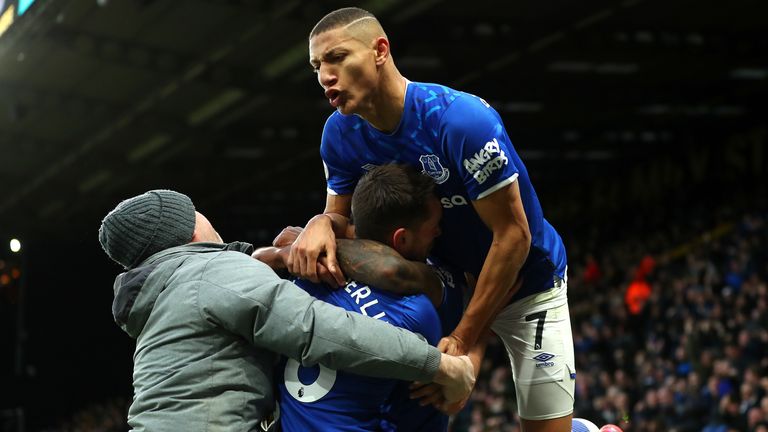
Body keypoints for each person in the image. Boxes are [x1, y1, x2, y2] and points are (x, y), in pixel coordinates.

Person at [290, 7, 575, 431]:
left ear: (380, 50)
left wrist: (462, 342)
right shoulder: (339, 134)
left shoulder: (460, 121)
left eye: (337, 58)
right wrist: (318, 223)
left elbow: (514, 236)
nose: (325, 76)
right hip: (442, 286)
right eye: (317, 66)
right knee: (429, 402)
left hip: (527, 281)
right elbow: (340, 220)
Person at [97, 189, 475, 432]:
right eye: (196, 209)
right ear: (189, 228)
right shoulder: (212, 273)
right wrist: (440, 366)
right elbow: (316, 329)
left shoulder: (164, 290)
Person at [254, 165, 471, 431]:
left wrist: (294, 246)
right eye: (434, 226)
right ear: (400, 239)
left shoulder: (306, 276)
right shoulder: (417, 311)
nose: (439, 232)